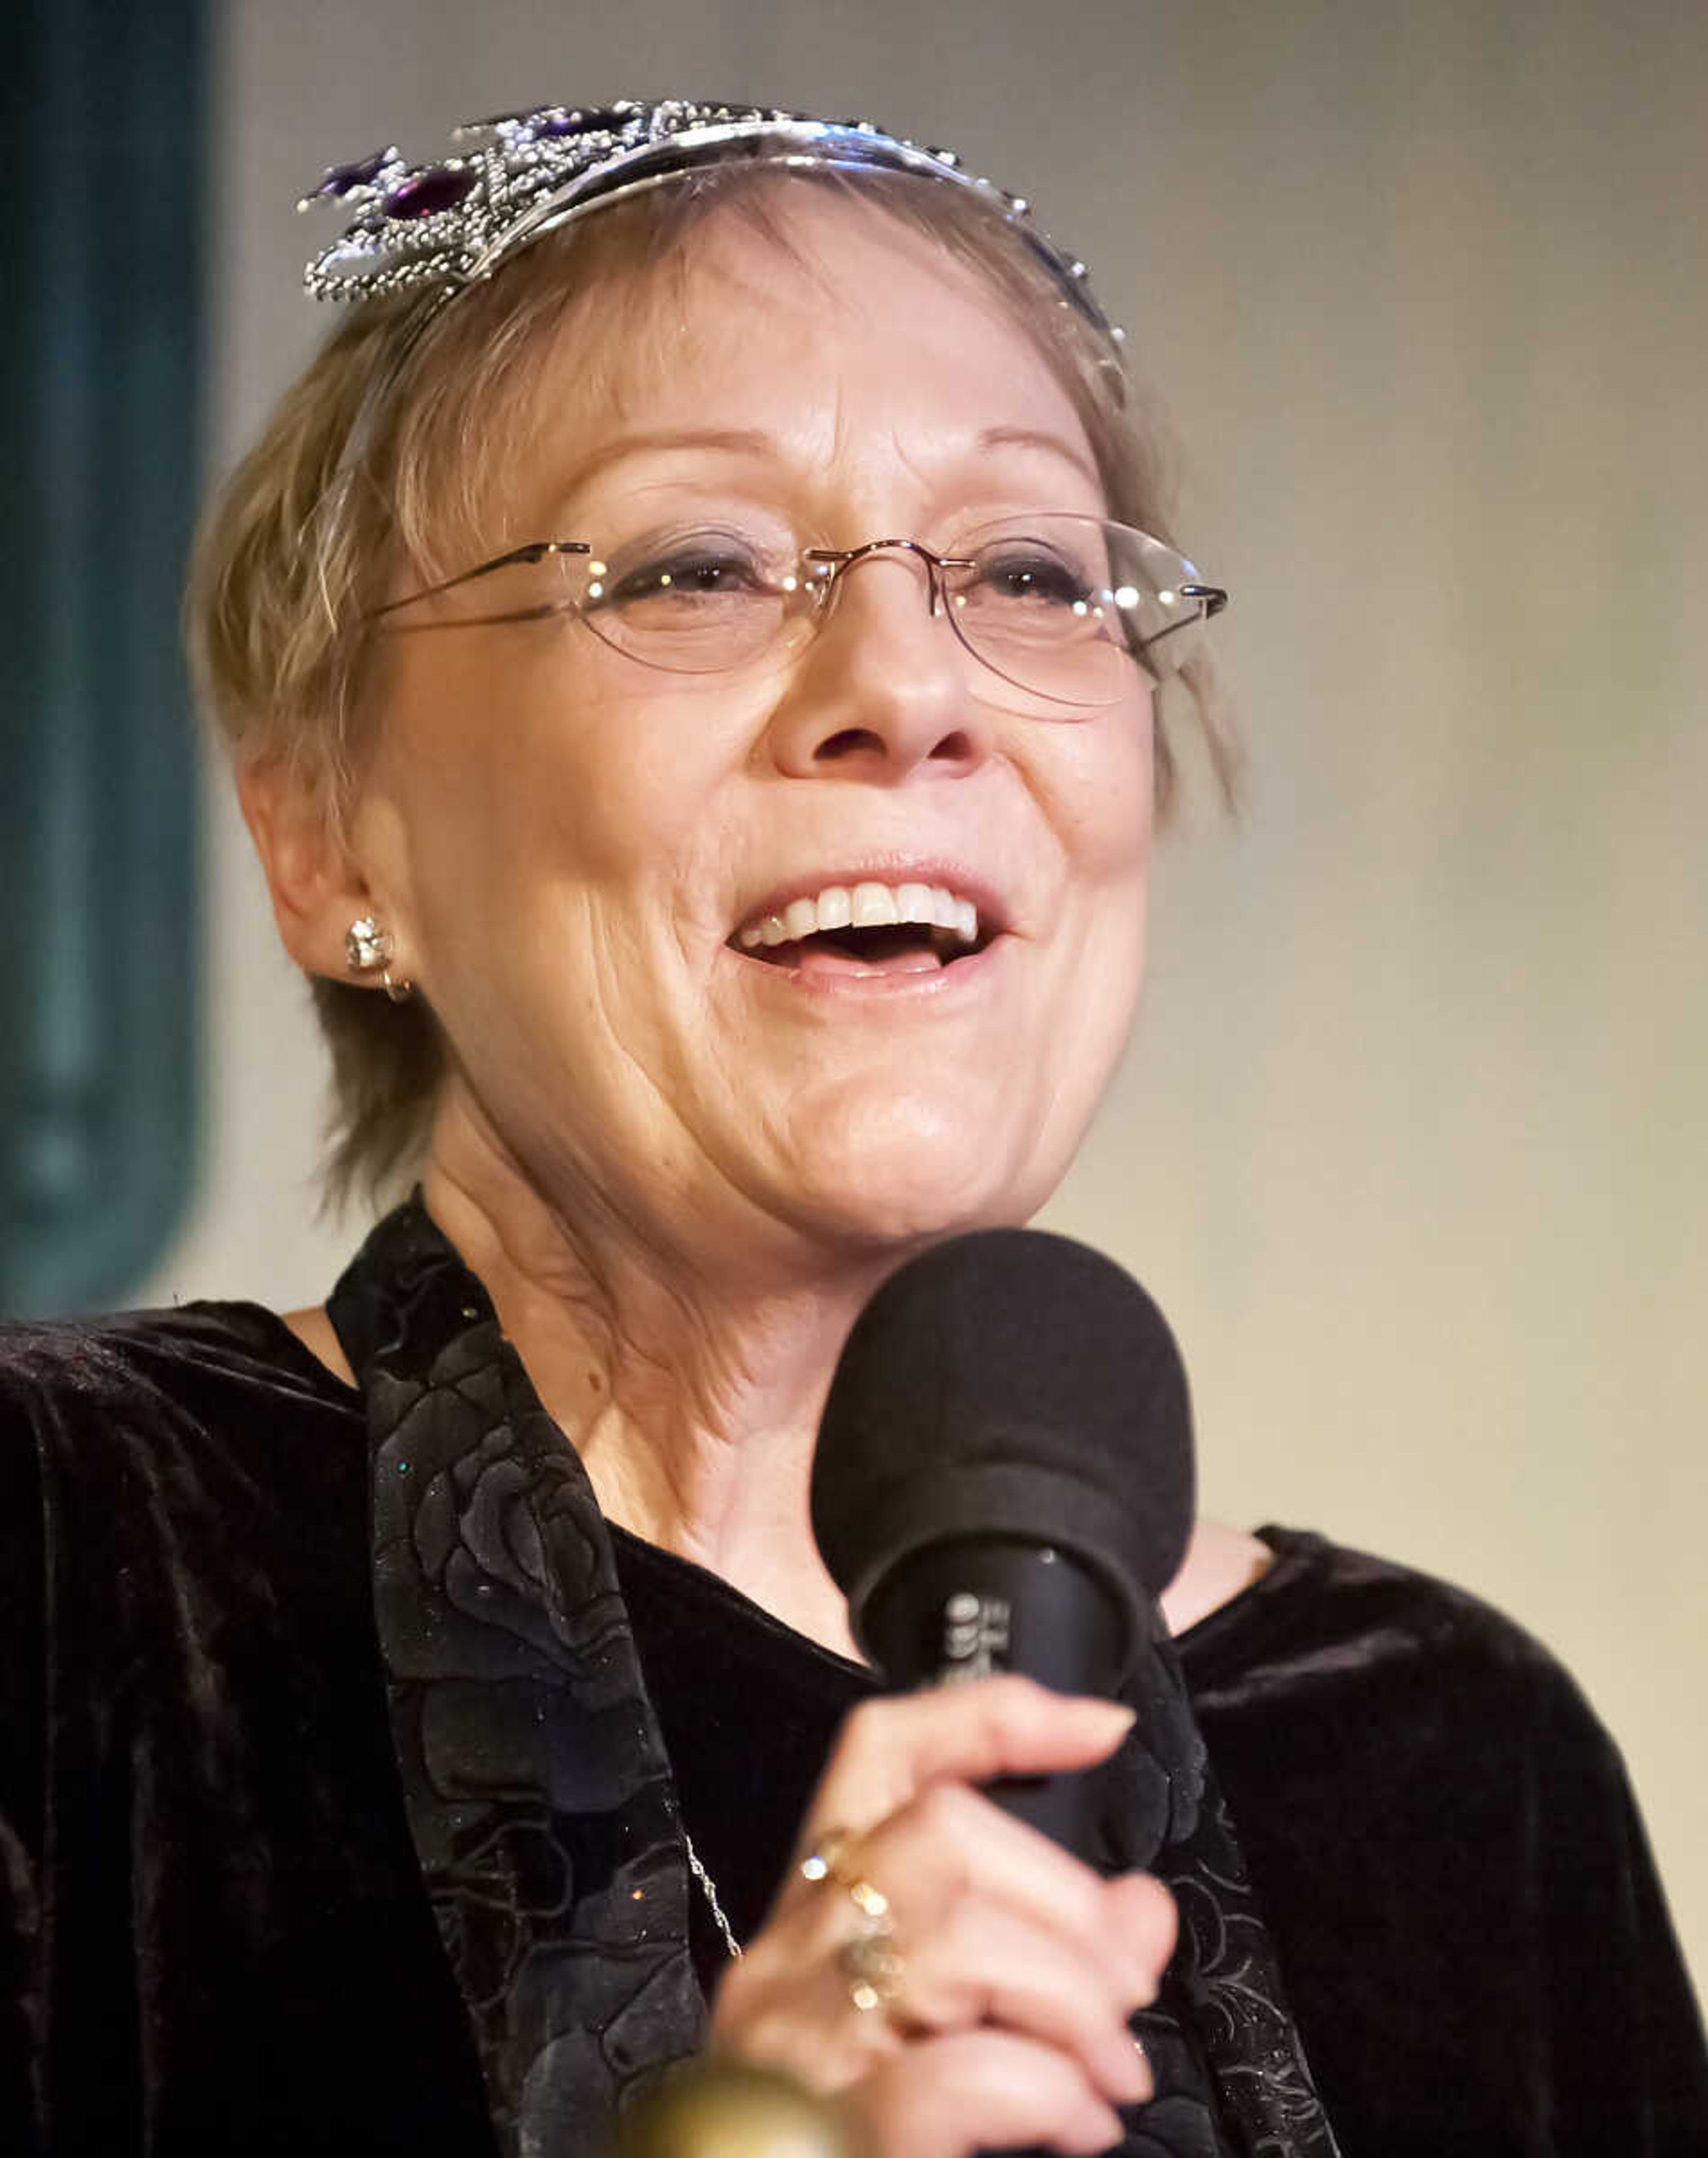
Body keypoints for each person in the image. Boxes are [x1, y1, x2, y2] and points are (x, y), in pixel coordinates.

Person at [0, 98, 1701, 2158]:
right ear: (321, 825)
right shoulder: (73, 1558)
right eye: (696, 563)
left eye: (1028, 571)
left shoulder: (1454, 1767)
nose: (906, 687)